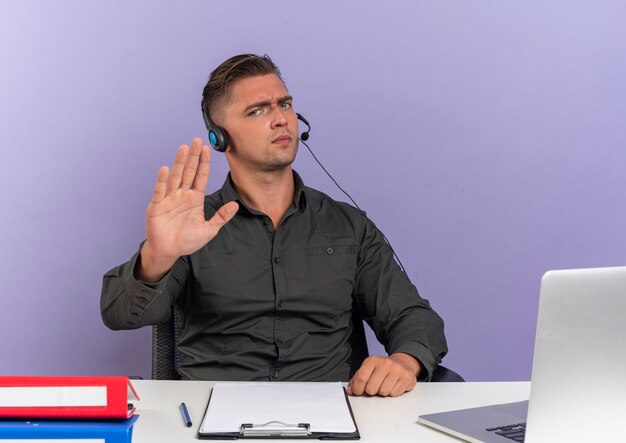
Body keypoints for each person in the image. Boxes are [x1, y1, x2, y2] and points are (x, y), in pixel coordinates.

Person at [101, 54, 447, 397]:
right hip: (214, 415)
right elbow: (120, 314)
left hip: (330, 415)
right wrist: (158, 256)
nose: (281, 119)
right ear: (219, 138)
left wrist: (404, 361)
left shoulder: (347, 225)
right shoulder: (193, 226)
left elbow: (412, 315)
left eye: (284, 104)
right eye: (258, 110)